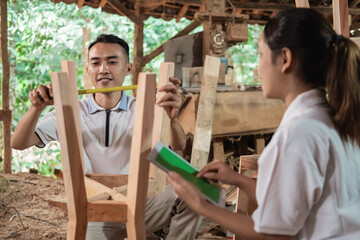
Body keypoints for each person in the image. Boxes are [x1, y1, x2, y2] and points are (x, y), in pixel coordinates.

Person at [167, 8, 360, 240]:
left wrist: (203, 206)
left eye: (261, 55)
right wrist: (237, 179)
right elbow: (290, 202)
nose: (258, 69)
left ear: (285, 60)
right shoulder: (332, 119)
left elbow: (274, 234)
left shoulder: (298, 133)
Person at [11, 34, 201, 240]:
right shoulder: (71, 110)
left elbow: (178, 145)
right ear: (88, 69)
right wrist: (35, 108)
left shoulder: (145, 108)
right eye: (96, 63)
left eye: (112, 62)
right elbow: (19, 143)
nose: (103, 69)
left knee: (199, 189)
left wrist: (171, 120)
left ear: (127, 69)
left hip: (141, 204)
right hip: (94, 210)